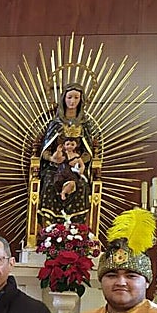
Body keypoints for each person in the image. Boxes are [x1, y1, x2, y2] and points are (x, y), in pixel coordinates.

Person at [33, 85, 100, 227]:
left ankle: (76, 229)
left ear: (81, 100)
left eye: (76, 97)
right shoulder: (55, 124)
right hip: (55, 168)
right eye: (69, 97)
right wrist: (53, 158)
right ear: (63, 99)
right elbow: (44, 152)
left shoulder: (85, 125)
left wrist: (79, 161)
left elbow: (88, 152)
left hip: (75, 170)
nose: (72, 101)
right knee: (50, 184)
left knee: (81, 186)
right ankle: (50, 228)